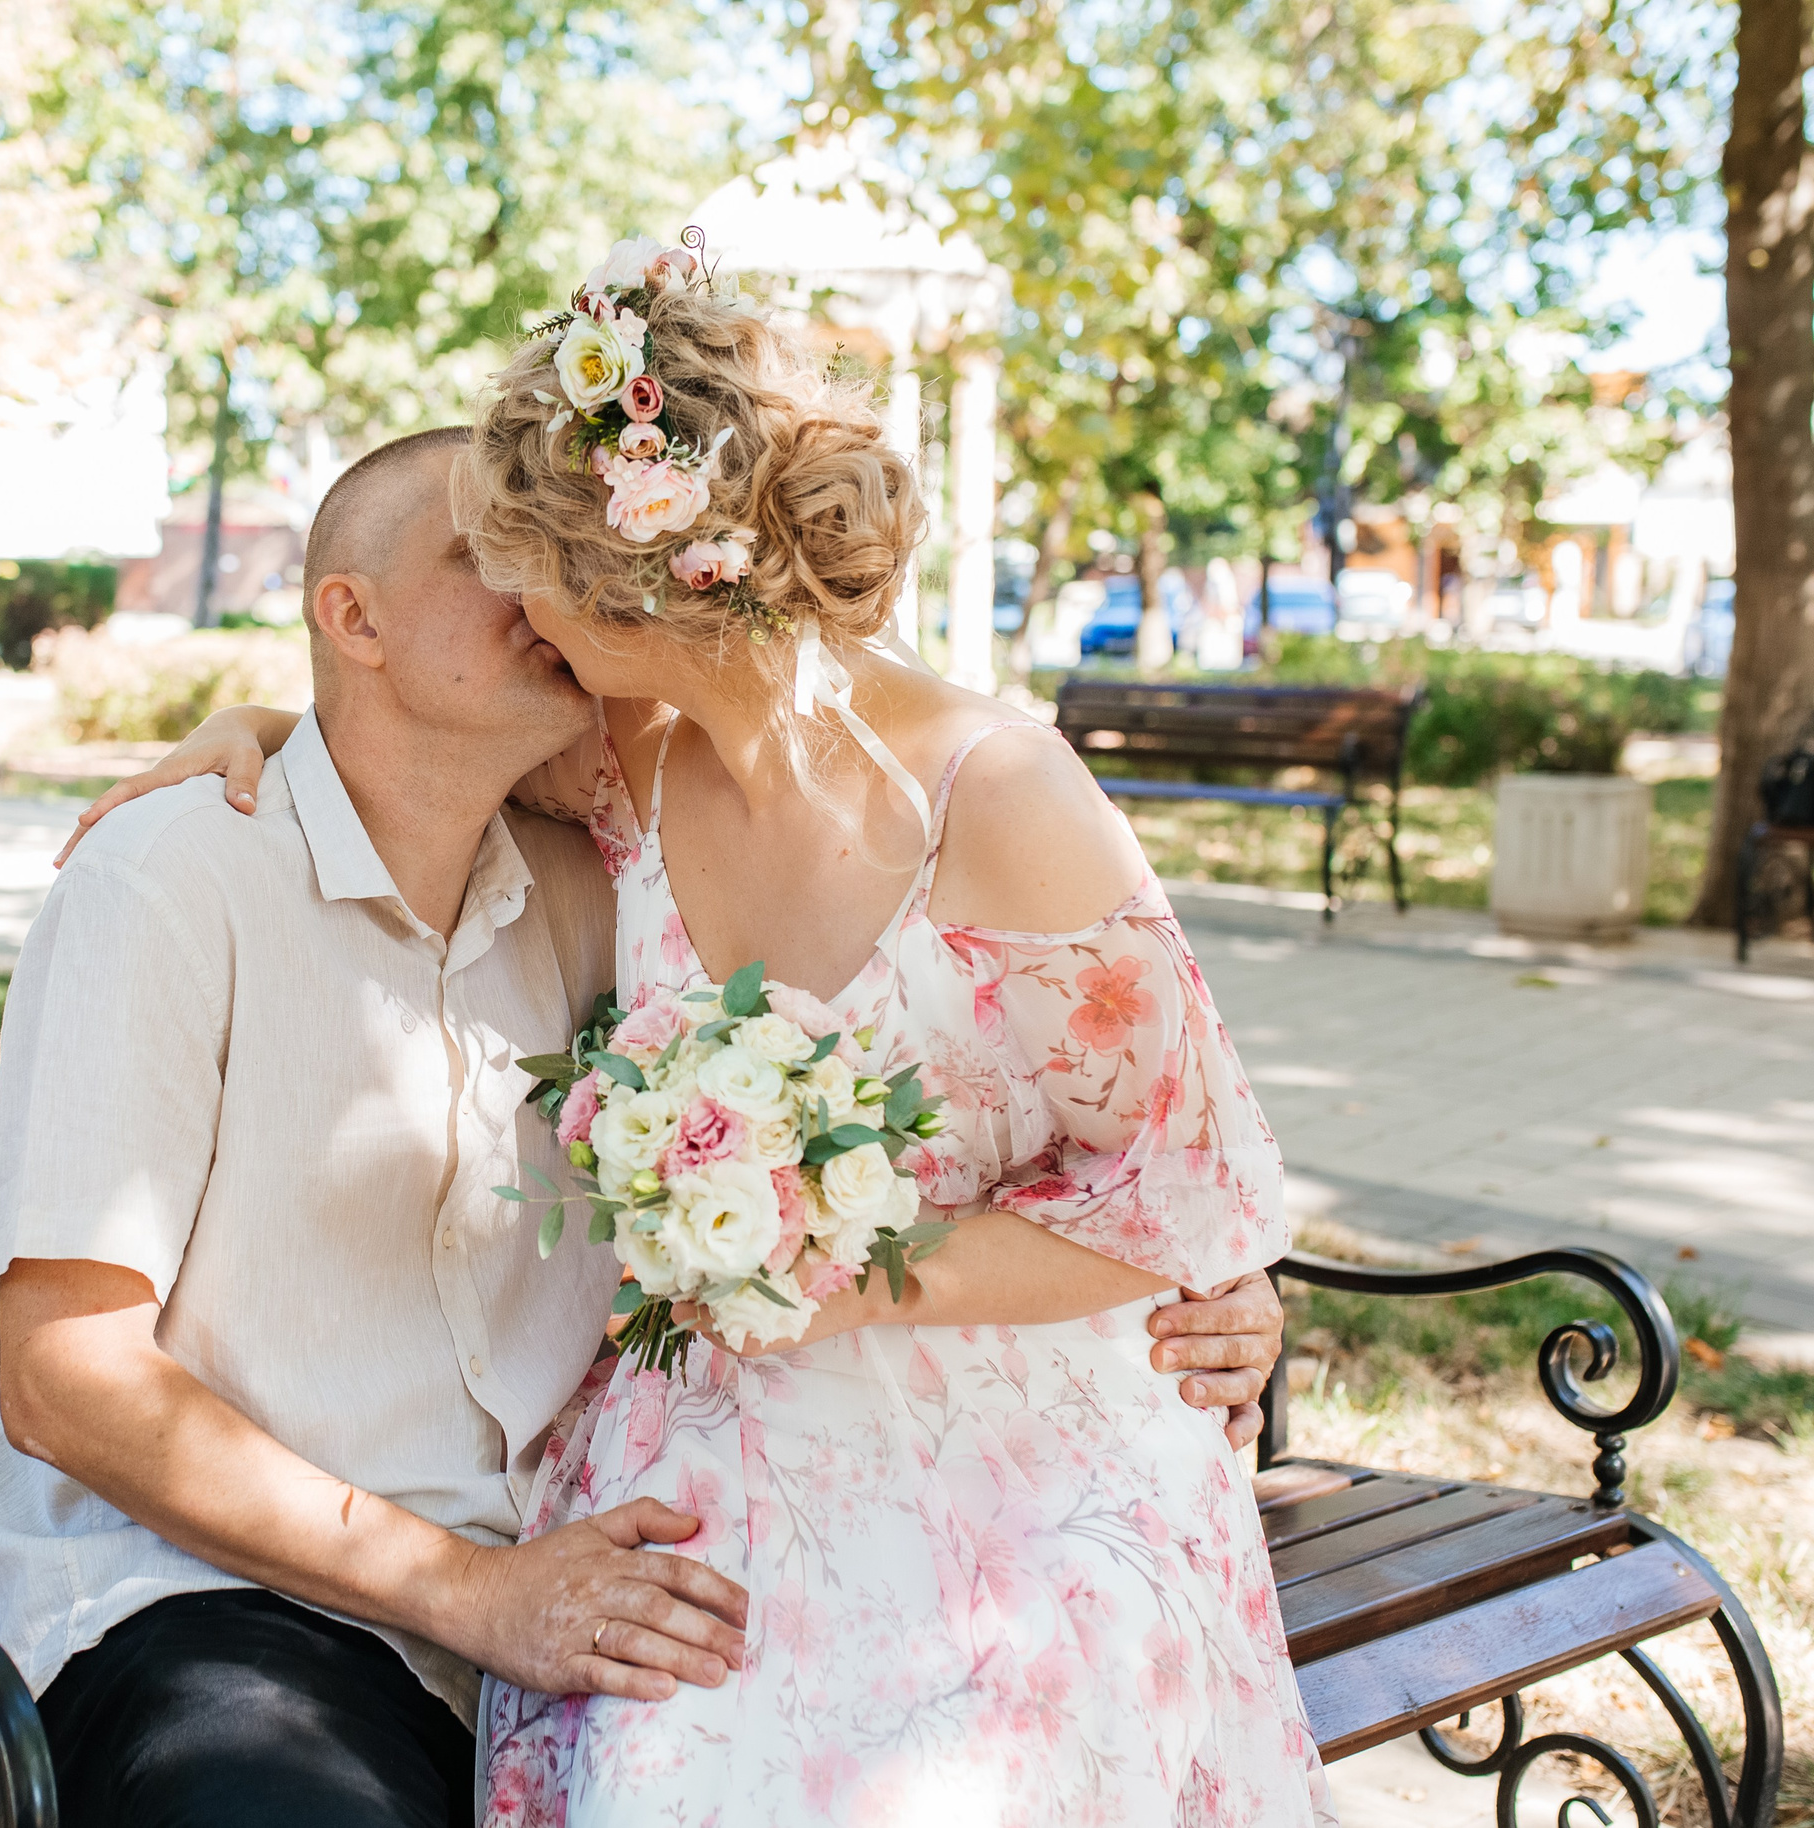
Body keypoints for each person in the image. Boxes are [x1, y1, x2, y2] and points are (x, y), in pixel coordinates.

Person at [70, 241, 1328, 1826]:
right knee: (682, 1752)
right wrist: (257, 728)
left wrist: (840, 1281)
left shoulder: (995, 799)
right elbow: (391, 723)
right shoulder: (624, 769)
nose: (519, 607)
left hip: (1013, 1433)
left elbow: (1184, 1191)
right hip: (715, 1433)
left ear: (644, 589)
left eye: (528, 563)